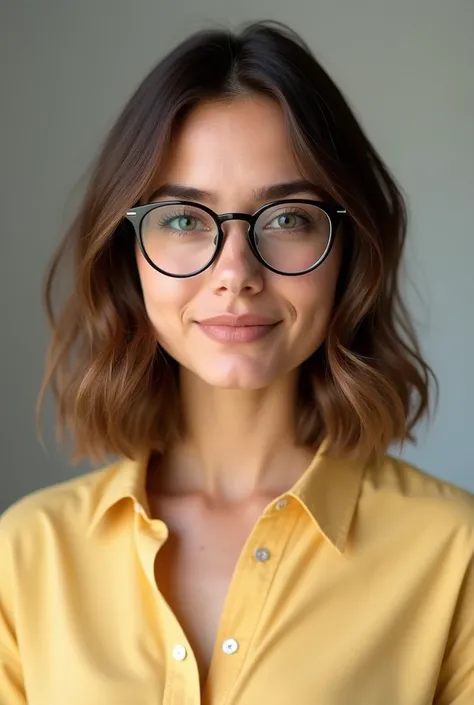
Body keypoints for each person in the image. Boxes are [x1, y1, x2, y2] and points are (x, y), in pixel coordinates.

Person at [1, 20, 473, 705]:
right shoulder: (23, 557)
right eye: (185, 220)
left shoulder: (454, 555)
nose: (235, 273)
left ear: (348, 250)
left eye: (286, 217)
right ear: (128, 258)